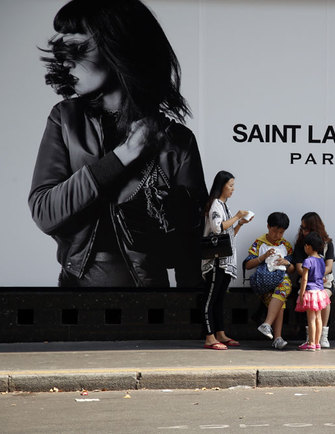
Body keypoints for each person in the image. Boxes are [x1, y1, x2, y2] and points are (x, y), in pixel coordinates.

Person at [29, 0, 207, 287]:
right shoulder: (66, 120)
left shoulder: (178, 142)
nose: (64, 62)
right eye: (61, 51)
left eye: (76, 48)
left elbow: (189, 249)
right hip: (77, 294)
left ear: (120, 45)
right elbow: (45, 213)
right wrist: (124, 155)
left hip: (152, 301)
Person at [202, 171, 252, 350]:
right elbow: (217, 229)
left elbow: (228, 236)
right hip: (215, 261)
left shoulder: (224, 206)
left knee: (219, 298)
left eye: (233, 185)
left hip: (224, 260)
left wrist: (239, 223)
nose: (232, 189)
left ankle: (220, 333)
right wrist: (237, 216)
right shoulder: (216, 204)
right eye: (230, 185)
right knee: (210, 299)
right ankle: (209, 337)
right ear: (221, 186)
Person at [244, 212, 295, 350]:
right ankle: (276, 336)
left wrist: (287, 263)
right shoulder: (259, 243)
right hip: (264, 283)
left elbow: (292, 270)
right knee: (280, 301)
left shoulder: (286, 245)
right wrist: (263, 257)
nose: (277, 235)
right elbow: (248, 265)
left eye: (281, 232)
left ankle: (271, 329)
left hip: (280, 281)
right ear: (268, 226)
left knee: (283, 289)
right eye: (274, 231)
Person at [293, 212, 335, 348]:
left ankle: (322, 335)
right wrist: (316, 275)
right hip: (314, 282)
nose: (304, 232)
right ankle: (312, 338)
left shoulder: (328, 244)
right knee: (318, 304)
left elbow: (329, 267)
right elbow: (299, 268)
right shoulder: (301, 245)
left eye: (307, 229)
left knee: (323, 302)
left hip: (325, 282)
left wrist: (315, 274)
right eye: (302, 228)